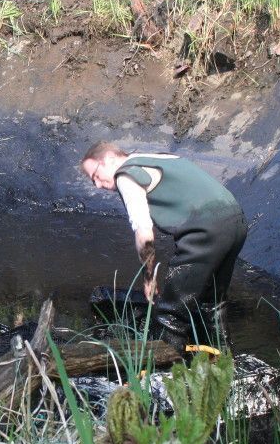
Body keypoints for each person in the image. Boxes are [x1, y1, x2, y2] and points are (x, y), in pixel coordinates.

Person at [80, 142, 247, 349]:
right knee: (211, 303)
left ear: (109, 160)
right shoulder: (157, 158)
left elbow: (144, 232)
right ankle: (223, 365)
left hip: (204, 231)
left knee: (170, 313)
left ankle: (163, 373)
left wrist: (148, 277)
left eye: (95, 175)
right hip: (236, 221)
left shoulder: (126, 175)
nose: (97, 185)